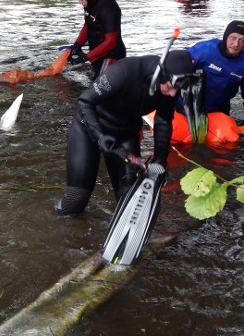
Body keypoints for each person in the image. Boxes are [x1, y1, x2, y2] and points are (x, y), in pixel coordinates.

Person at [56, 50, 195, 216]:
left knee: (129, 197)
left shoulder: (171, 86)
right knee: (76, 199)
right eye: (171, 88)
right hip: (89, 128)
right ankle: (62, 225)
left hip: (125, 132)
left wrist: (160, 159)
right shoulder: (123, 72)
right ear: (161, 74)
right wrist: (99, 135)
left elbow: (163, 121)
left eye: (177, 90)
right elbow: (85, 101)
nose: (173, 94)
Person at [186, 20, 244, 134]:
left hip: (218, 110)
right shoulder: (204, 50)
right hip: (185, 105)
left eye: (242, 40)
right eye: (233, 38)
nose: (236, 44)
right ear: (225, 37)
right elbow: (176, 65)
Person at [69, 0, 126, 79]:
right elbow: (88, 24)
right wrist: (77, 45)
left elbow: (111, 42)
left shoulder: (107, 8)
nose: (80, 3)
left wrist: (86, 57)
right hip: (97, 52)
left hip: (111, 55)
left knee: (98, 88)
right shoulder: (89, 2)